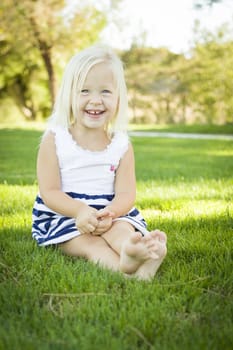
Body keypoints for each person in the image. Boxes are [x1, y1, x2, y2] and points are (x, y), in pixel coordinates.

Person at [32, 45, 167, 280]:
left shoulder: (121, 144)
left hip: (110, 213)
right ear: (69, 95)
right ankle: (127, 271)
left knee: (122, 230)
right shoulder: (55, 139)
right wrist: (80, 211)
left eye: (105, 92)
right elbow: (49, 191)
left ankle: (132, 251)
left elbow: (126, 193)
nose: (95, 101)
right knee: (91, 246)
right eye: (84, 91)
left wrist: (111, 214)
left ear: (118, 98)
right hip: (65, 215)